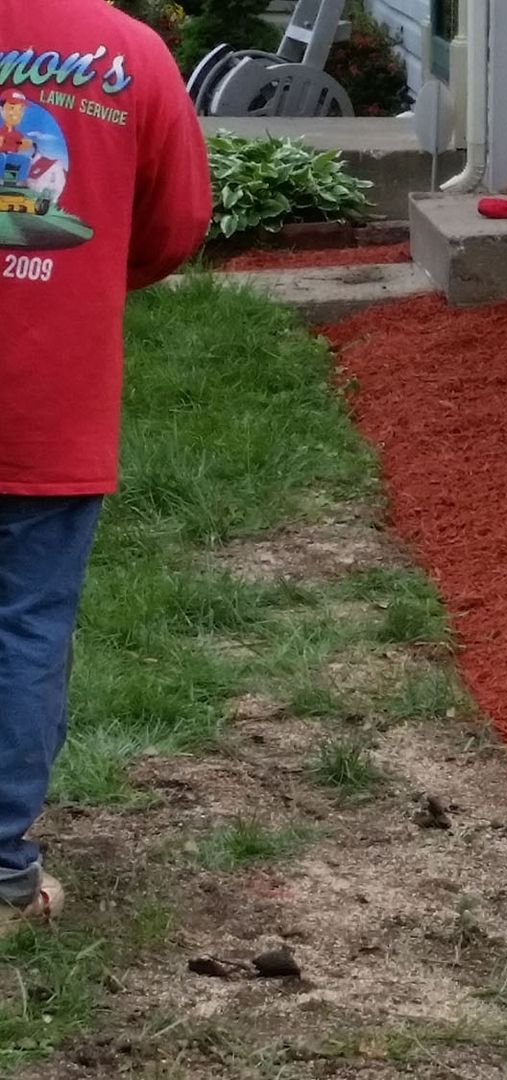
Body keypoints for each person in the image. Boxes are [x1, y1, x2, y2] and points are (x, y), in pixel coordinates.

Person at [0, 0, 213, 931]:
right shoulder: (132, 54)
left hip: (52, 406)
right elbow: (176, 223)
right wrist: (81, 276)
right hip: (49, 398)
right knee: (25, 625)